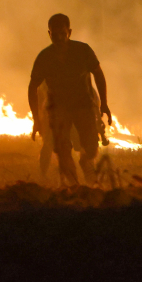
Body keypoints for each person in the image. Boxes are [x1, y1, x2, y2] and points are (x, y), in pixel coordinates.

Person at [28, 13, 112, 185]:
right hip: (58, 108)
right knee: (62, 150)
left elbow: (98, 74)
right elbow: (32, 87)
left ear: (69, 32)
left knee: (90, 147)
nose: (59, 37)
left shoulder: (83, 51)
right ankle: (74, 187)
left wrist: (104, 104)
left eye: (62, 33)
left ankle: (85, 161)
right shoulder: (45, 57)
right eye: (54, 33)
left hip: (83, 105)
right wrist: (36, 118)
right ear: (49, 33)